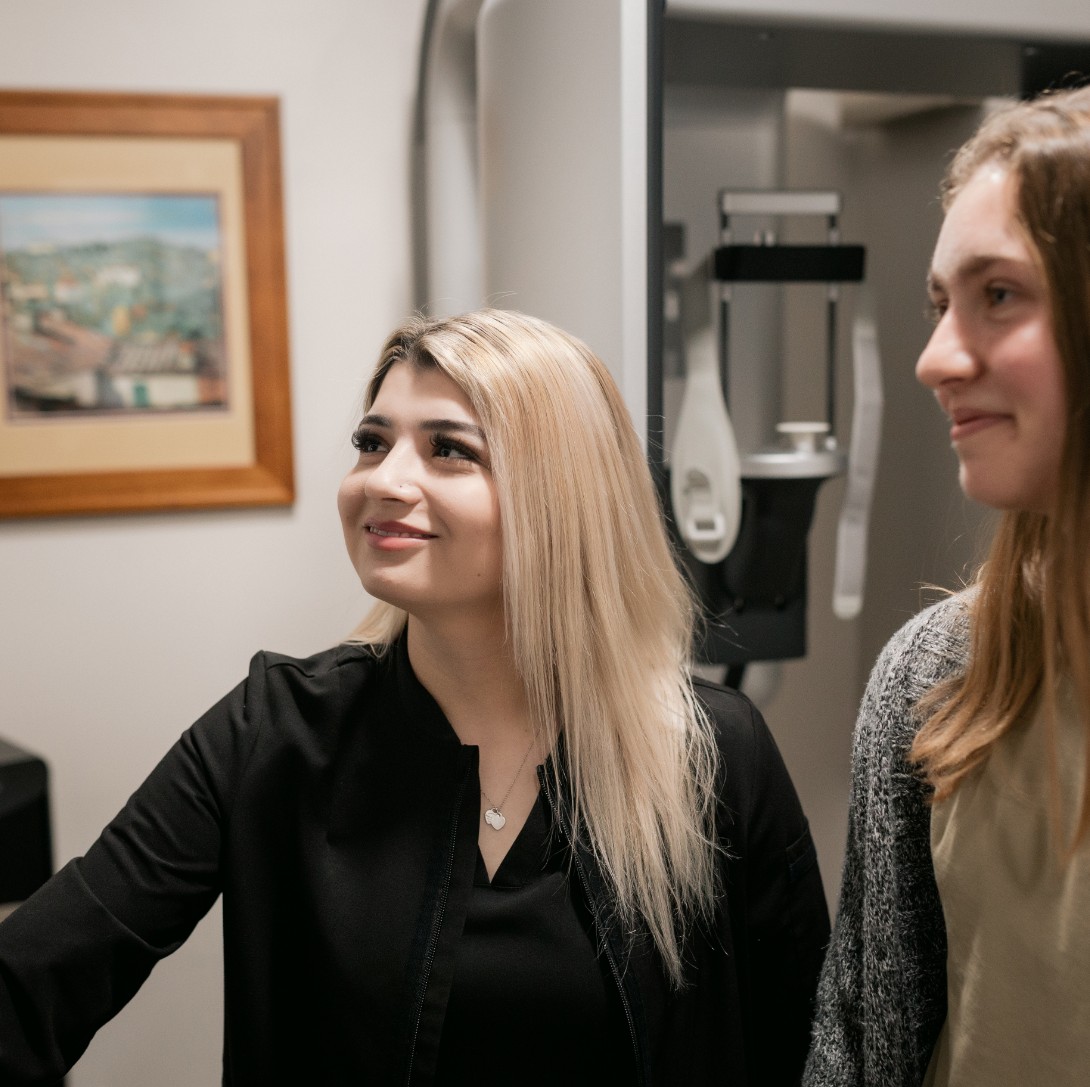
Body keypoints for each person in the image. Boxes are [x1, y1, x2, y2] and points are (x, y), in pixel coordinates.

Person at [0, 308, 829, 1085]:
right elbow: (36, 979)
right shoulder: (272, 733)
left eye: (448, 450)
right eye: (371, 441)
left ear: (560, 499)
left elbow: (814, 1049)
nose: (383, 481)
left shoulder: (710, 750)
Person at [804, 86, 1090, 1087]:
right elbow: (858, 1045)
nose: (934, 359)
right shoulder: (939, 673)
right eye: (939, 305)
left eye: (998, 295)